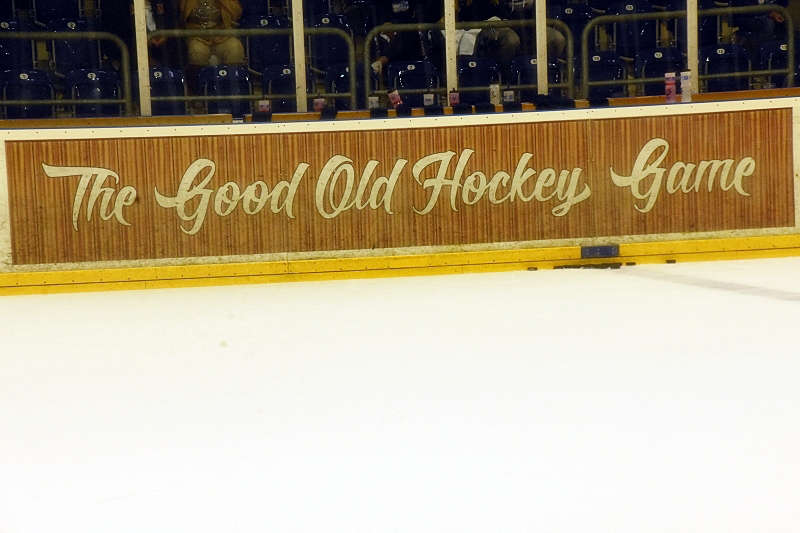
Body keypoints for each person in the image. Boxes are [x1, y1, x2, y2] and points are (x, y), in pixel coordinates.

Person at [180, 0, 245, 66]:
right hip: (197, 36)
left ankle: (232, 75)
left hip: (222, 35)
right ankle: (200, 75)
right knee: (196, 50)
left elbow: (236, 12)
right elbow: (182, 14)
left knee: (235, 47)